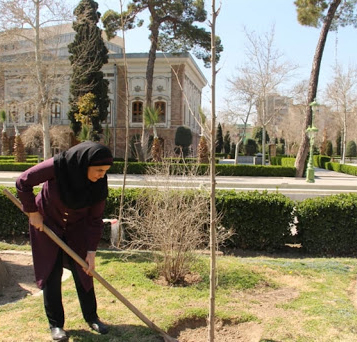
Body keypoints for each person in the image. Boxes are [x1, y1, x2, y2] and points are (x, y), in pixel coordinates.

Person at [16, 141, 113, 341]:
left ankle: (92, 317)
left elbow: (95, 220)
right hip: (46, 225)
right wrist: (32, 213)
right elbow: (23, 181)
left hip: (77, 229)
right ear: (84, 164)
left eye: (105, 171)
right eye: (99, 170)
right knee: (51, 273)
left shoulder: (99, 184)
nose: (102, 175)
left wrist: (91, 252)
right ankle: (56, 325)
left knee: (84, 271)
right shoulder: (58, 165)